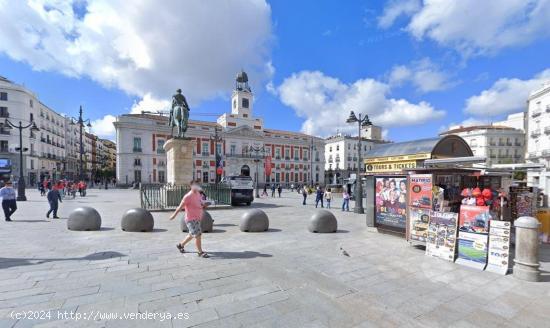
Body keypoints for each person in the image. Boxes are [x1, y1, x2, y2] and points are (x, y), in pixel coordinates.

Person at [169, 180, 209, 258]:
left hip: (197, 218)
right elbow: (180, 207)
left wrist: (204, 205)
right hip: (191, 219)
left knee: (191, 234)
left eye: (198, 185)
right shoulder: (188, 196)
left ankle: (180, 245)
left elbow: (200, 203)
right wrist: (173, 215)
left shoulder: (198, 194)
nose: (197, 186)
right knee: (198, 234)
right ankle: (200, 252)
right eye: (195, 185)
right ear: (191, 186)